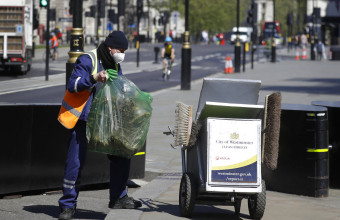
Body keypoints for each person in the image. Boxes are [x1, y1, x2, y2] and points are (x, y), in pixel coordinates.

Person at [57, 31, 142, 220]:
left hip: (105, 119)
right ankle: (67, 206)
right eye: (120, 49)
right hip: (83, 120)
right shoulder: (88, 60)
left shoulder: (114, 63)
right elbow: (73, 85)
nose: (122, 53)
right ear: (110, 47)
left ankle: (118, 197)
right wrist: (94, 78)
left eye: (124, 50)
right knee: (75, 162)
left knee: (121, 152)